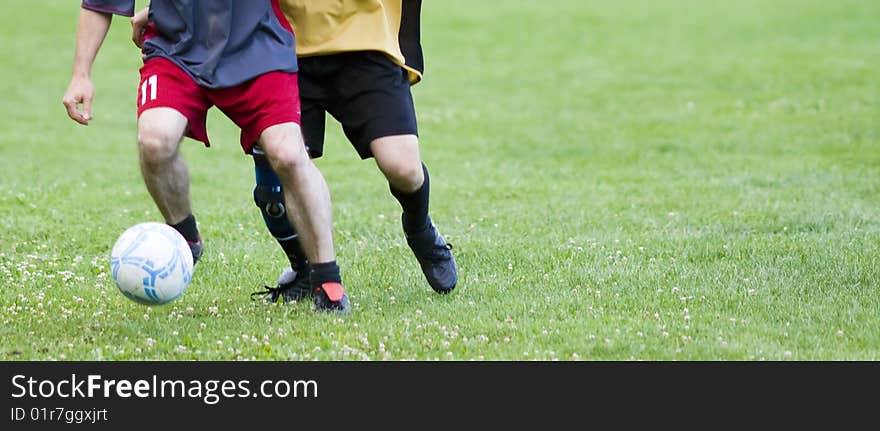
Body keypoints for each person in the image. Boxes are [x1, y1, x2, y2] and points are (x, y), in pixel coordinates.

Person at [132, 0, 458, 303]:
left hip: (363, 42)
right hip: (277, 48)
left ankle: (419, 228)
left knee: (402, 167)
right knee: (277, 185)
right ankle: (306, 268)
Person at [62, 0, 350, 312]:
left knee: (288, 155)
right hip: (174, 50)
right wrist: (81, 74)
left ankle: (327, 279)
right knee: (155, 140)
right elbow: (99, 3)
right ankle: (185, 239)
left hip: (259, 46)